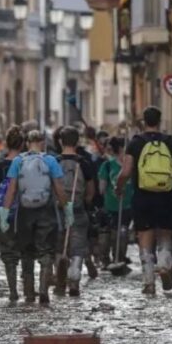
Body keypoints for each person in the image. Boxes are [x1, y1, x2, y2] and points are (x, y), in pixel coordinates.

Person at [115, 106, 172, 295]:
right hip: (166, 196)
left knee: (145, 238)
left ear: (143, 122)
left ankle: (149, 282)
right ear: (160, 120)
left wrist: (119, 187)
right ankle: (164, 265)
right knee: (165, 236)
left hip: (143, 197)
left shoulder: (136, 143)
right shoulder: (171, 142)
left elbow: (126, 172)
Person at [0, 130, 71, 304]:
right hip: (46, 211)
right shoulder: (51, 160)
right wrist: (67, 210)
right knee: (46, 251)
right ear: (43, 143)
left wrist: (4, 214)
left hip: (24, 212)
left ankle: (29, 293)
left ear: (27, 143)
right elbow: (59, 188)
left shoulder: (18, 161)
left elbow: (11, 189)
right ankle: (43, 289)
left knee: (26, 252)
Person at [0, 126, 24, 302]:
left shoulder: (0, 165)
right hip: (25, 213)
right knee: (27, 251)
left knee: (8, 254)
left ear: (7, 144)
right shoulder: (26, 163)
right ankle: (31, 290)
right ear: (23, 144)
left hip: (3, 214)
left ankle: (13, 290)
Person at [57, 126, 96, 297]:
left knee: (59, 245)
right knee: (78, 245)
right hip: (78, 207)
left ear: (60, 141)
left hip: (57, 209)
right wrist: (86, 201)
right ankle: (74, 278)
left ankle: (59, 277)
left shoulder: (54, 162)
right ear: (78, 142)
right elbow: (91, 191)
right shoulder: (84, 163)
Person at [98, 135, 133, 266]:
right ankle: (109, 259)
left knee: (121, 232)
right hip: (112, 206)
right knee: (116, 233)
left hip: (126, 206)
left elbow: (102, 188)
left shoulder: (128, 166)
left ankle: (118, 259)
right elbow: (101, 188)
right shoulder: (107, 165)